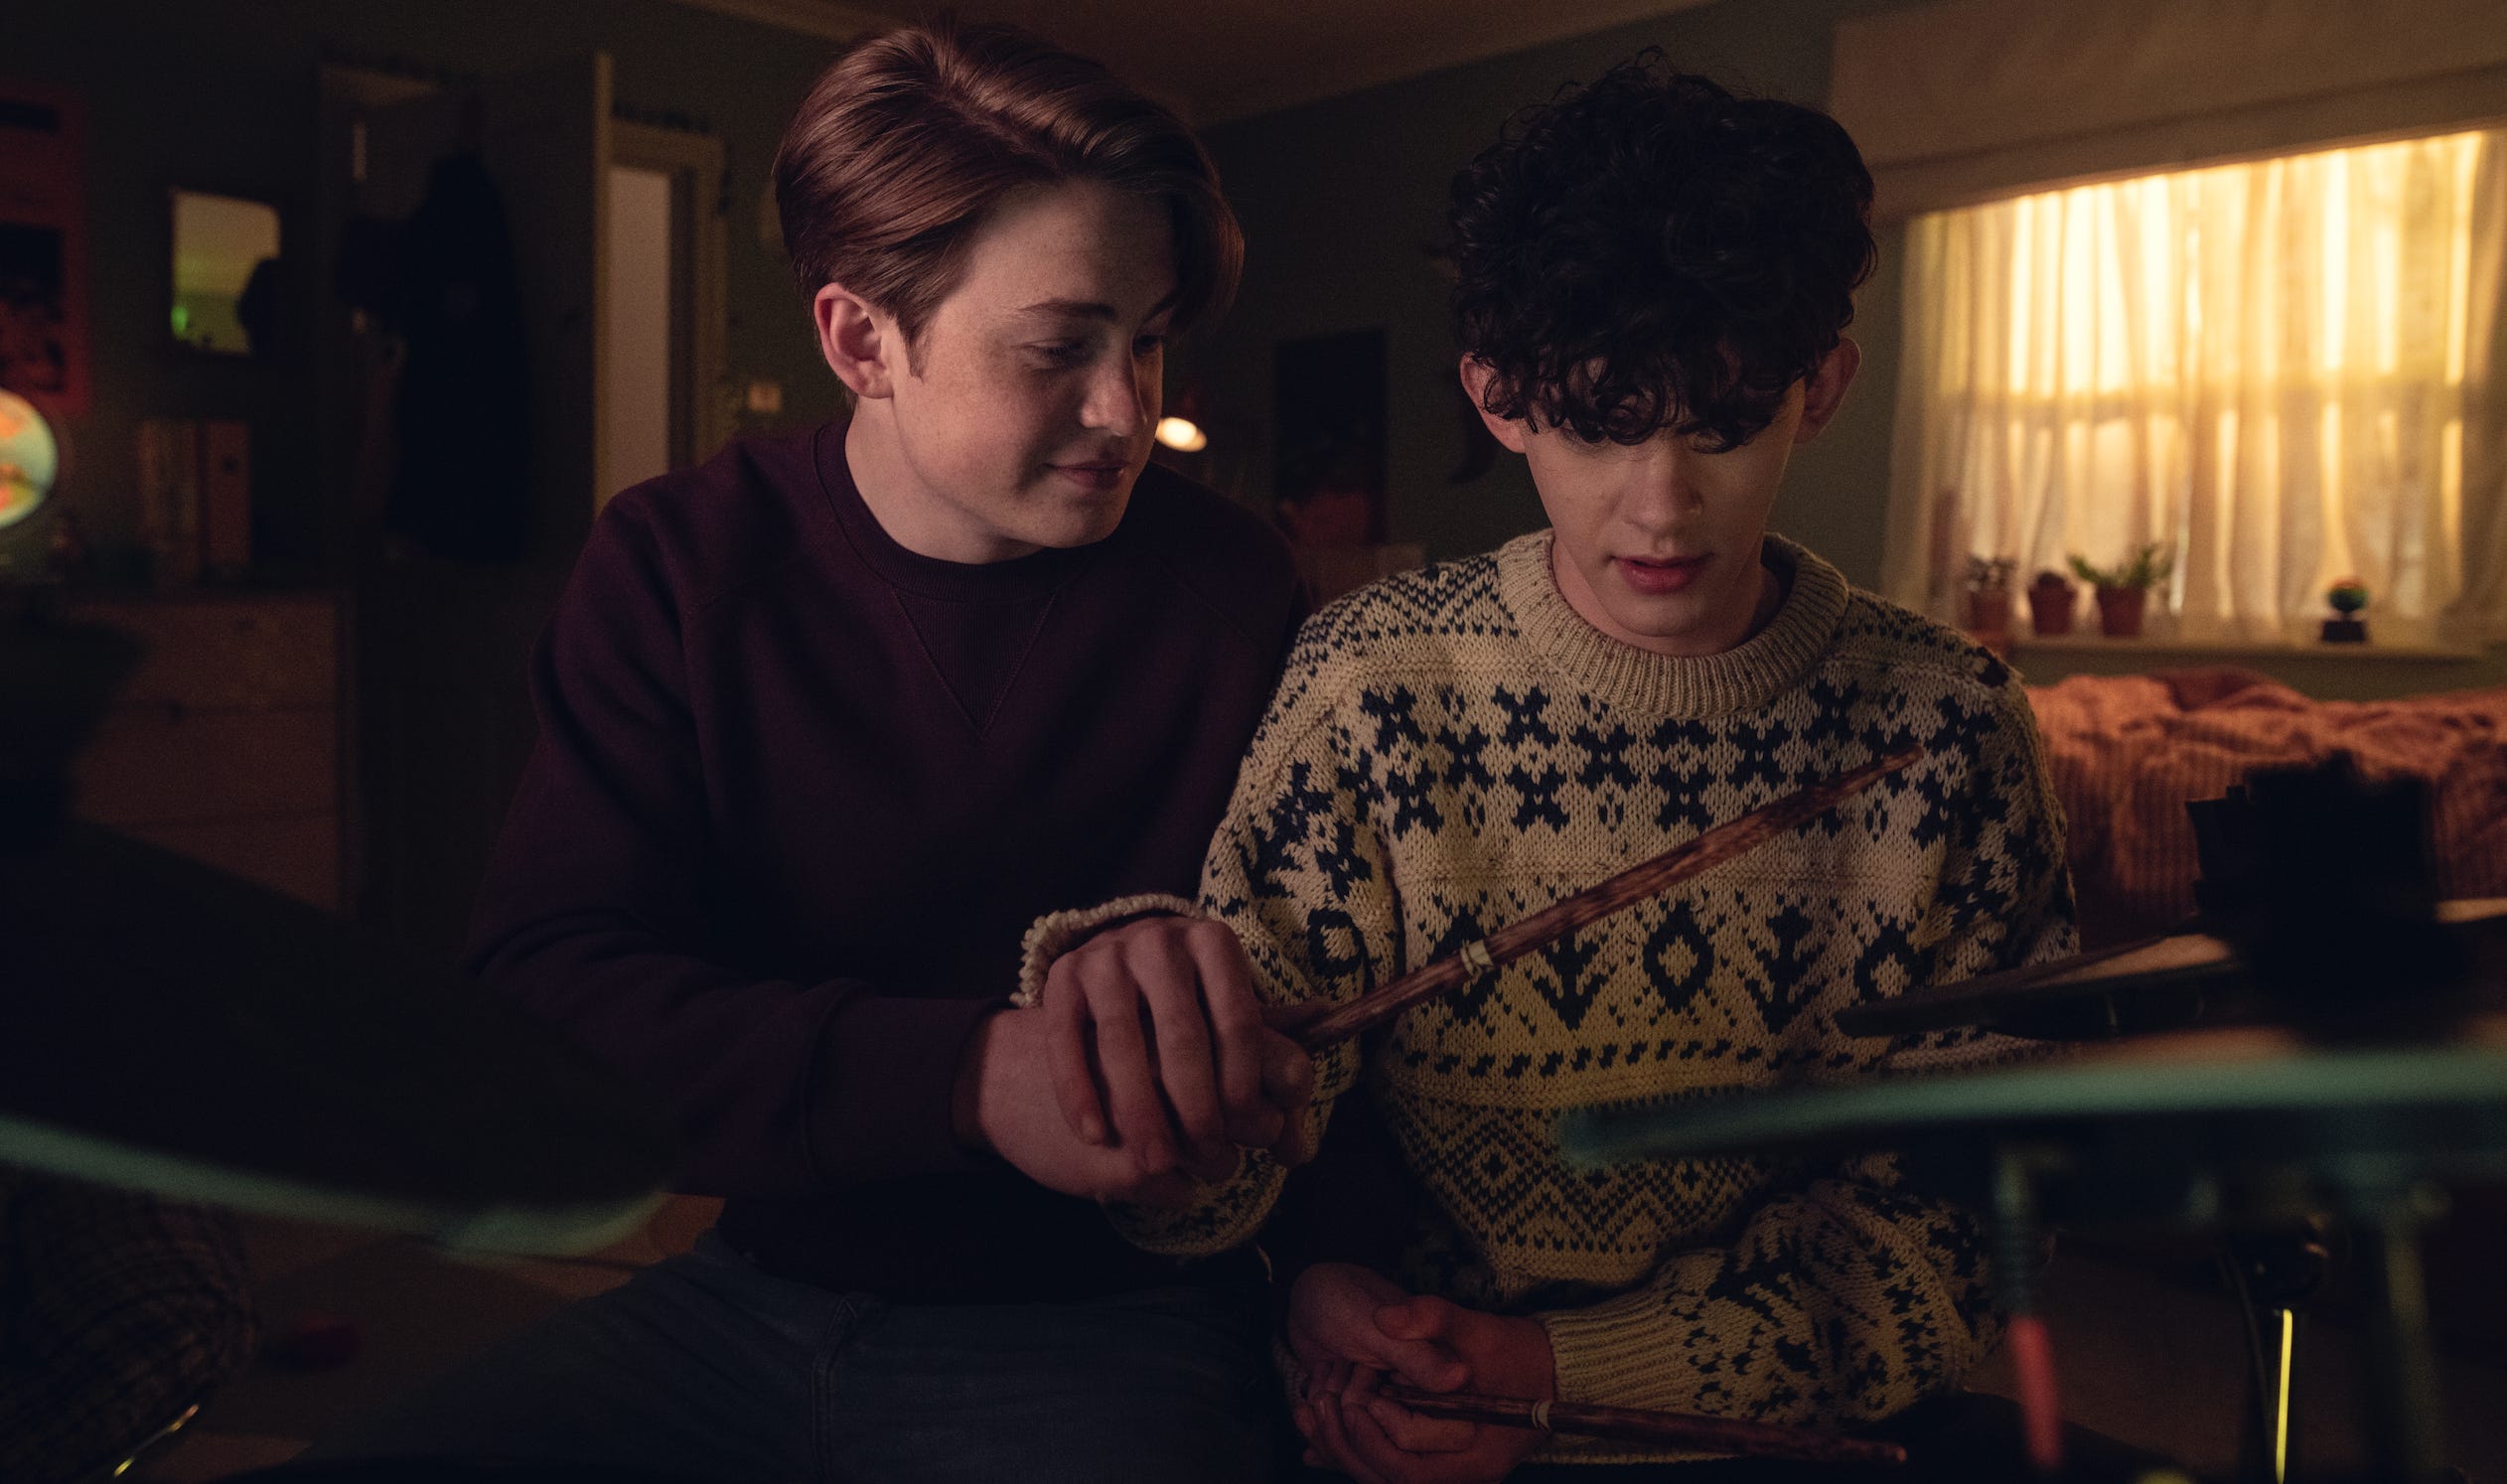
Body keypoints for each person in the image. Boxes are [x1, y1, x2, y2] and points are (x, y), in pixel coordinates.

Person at [1019, 56, 2083, 1481]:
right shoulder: (1372, 685)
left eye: (1722, 425)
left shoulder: (1950, 728)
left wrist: (1554, 1377)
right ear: (1498, 396)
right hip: (1397, 1403)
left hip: (1788, 1436)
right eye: (1599, 425)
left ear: (1821, 386)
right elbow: (1216, 1186)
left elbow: (1971, 1225)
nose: (1662, 506)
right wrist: (1193, 1129)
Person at [307, 20, 1316, 1482]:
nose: (1126, 410)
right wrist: (971, 1075)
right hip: (741, 1298)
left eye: (1147, 338)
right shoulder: (677, 563)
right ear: (860, 340)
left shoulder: (1235, 588)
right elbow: (549, 998)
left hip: (1110, 1321)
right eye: (1060, 346)